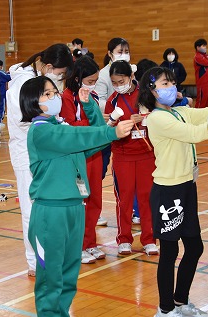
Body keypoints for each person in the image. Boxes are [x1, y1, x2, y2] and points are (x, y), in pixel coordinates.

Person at [137, 66, 208, 317]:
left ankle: (181, 301)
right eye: (164, 84)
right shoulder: (157, 119)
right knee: (169, 252)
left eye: (171, 82)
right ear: (152, 91)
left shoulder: (179, 112)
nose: (171, 87)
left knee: (195, 247)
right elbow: (196, 134)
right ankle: (165, 309)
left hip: (187, 187)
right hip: (167, 192)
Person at [20, 76, 134, 317]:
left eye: (55, 92)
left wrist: (91, 106)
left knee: (69, 273)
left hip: (74, 207)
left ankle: (61, 313)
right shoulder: (41, 132)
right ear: (32, 102)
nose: (55, 97)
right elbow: (78, 138)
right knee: (51, 277)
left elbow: (90, 141)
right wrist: (111, 133)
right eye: (47, 94)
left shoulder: (61, 127)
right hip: (50, 212)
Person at [6, 43, 73, 276]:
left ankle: (51, 256)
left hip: (47, 152)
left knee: (49, 207)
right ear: (48, 66)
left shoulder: (43, 81)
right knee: (31, 210)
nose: (60, 79)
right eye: (60, 73)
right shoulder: (22, 84)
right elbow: (24, 119)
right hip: (27, 154)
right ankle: (35, 262)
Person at [104, 61, 159, 256]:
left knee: (147, 198)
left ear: (131, 77)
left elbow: (160, 116)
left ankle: (149, 239)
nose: (118, 85)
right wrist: (119, 122)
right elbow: (107, 129)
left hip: (146, 155)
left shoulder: (145, 95)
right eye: (114, 82)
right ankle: (124, 239)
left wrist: (148, 116)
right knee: (124, 199)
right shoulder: (112, 101)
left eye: (121, 81)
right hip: (122, 156)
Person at [59, 56, 106, 264]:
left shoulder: (91, 97)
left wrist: (90, 114)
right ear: (77, 78)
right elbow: (70, 130)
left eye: (95, 80)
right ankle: (76, 246)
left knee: (95, 200)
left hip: (95, 154)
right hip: (78, 158)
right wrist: (89, 129)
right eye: (89, 80)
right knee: (81, 202)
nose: (92, 84)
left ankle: (90, 242)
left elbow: (98, 126)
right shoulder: (67, 97)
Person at [95, 37, 132, 227]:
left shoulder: (130, 71)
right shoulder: (103, 75)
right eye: (120, 51)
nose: (124, 54)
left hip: (126, 130)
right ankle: (94, 211)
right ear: (110, 53)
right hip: (107, 127)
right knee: (99, 172)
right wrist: (116, 107)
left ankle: (134, 209)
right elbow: (98, 100)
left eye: (126, 50)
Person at [0, 59, 11, 125]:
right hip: (1, 93)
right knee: (1, 108)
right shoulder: (0, 73)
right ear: (0, 66)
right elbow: (8, 77)